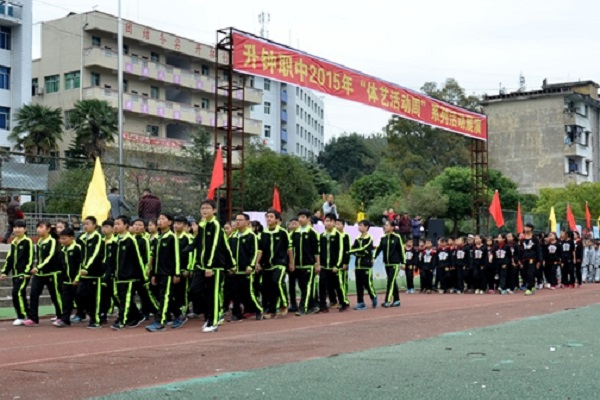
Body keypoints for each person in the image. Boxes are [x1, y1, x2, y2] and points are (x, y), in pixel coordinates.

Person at [187, 199, 235, 333]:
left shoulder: (215, 225)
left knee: (212, 294)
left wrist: (210, 266)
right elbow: (197, 243)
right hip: (200, 266)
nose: (204, 210)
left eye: (207, 208)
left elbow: (214, 247)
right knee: (194, 291)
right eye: (202, 208)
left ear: (214, 210)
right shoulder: (202, 225)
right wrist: (184, 250)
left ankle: (213, 321)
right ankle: (209, 315)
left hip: (214, 267)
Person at [146, 213, 184, 332]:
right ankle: (178, 314)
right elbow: (153, 256)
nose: (160, 221)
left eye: (163, 219)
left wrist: (177, 273)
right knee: (165, 296)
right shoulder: (157, 238)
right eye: (159, 219)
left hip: (168, 273)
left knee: (165, 296)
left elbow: (177, 257)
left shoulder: (172, 238)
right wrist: (151, 272)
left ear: (170, 222)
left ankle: (161, 321)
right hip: (158, 273)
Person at [108, 216, 146, 330]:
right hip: (118, 276)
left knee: (126, 298)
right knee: (119, 297)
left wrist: (143, 276)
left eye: (119, 223)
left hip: (129, 276)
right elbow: (112, 260)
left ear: (126, 226)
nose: (116, 226)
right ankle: (137, 316)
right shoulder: (115, 240)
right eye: (115, 223)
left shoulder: (130, 240)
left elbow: (138, 258)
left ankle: (122, 321)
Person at [257, 210, 294, 318]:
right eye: (267, 217)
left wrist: (291, 262)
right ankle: (271, 310)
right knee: (268, 287)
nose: (269, 219)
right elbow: (260, 250)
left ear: (277, 220)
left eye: (271, 217)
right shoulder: (263, 234)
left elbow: (289, 249)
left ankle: (284, 304)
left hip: (280, 262)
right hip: (267, 264)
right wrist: (257, 262)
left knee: (276, 281)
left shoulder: (283, 232)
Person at [24, 221, 62, 327]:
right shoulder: (40, 241)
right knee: (33, 295)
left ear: (48, 229)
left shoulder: (52, 241)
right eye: (37, 227)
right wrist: (38, 268)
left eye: (41, 227)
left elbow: (50, 257)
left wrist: (38, 267)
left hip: (52, 273)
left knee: (55, 296)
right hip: (40, 274)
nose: (38, 230)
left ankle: (61, 316)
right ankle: (33, 319)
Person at [229, 212, 262, 321]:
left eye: (240, 220)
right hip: (235, 270)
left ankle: (258, 310)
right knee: (235, 294)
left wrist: (251, 265)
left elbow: (254, 252)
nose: (237, 222)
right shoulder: (233, 236)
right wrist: (231, 265)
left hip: (246, 270)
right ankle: (236, 314)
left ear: (247, 222)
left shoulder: (251, 235)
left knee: (249, 293)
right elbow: (229, 252)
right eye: (236, 220)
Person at [0, 219, 33, 326]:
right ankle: (28, 314)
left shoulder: (27, 241)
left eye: (20, 227)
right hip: (15, 273)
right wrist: (4, 272)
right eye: (15, 227)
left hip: (23, 273)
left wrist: (26, 272)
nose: (17, 229)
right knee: (20, 294)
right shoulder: (14, 242)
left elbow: (30, 258)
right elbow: (9, 259)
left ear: (25, 229)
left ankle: (21, 316)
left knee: (16, 293)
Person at [74, 216, 105, 328]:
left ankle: (96, 320)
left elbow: (95, 254)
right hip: (83, 273)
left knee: (94, 298)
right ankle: (88, 314)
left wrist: (86, 268)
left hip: (94, 273)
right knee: (80, 294)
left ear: (94, 225)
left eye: (88, 224)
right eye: (84, 224)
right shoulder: (82, 238)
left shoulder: (98, 237)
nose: (85, 226)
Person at [290, 209, 319, 316]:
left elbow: (316, 250)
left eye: (303, 217)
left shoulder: (312, 233)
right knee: (303, 287)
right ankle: (314, 305)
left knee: (307, 286)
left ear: (308, 219)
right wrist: (292, 263)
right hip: (298, 265)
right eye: (299, 217)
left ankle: (303, 308)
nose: (300, 219)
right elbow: (291, 249)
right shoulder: (295, 233)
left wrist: (317, 264)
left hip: (309, 265)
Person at [318, 213, 347, 313]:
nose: (328, 223)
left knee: (338, 286)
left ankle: (343, 303)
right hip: (324, 266)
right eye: (326, 221)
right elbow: (320, 251)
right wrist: (319, 263)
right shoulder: (322, 236)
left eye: (330, 221)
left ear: (334, 223)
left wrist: (337, 265)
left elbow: (341, 251)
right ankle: (322, 305)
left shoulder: (339, 235)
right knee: (322, 285)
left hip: (335, 267)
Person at [54, 228, 82, 327]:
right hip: (66, 281)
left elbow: (81, 264)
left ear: (72, 238)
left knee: (81, 299)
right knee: (66, 301)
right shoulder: (62, 249)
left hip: (77, 280)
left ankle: (89, 315)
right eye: (61, 239)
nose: (62, 241)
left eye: (64, 238)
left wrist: (78, 278)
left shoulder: (77, 248)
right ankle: (65, 320)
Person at [374, 220, 404, 307]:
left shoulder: (397, 237)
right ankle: (397, 300)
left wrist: (403, 262)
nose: (385, 227)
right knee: (393, 282)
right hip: (386, 263)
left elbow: (401, 250)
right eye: (385, 225)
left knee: (390, 282)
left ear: (392, 227)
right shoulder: (383, 238)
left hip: (395, 264)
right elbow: (378, 249)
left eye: (387, 225)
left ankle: (387, 300)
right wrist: (373, 257)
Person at [349, 220, 376, 310]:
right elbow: (354, 249)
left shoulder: (369, 238)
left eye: (361, 225)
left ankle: (373, 297)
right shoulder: (357, 238)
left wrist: (355, 252)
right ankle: (360, 302)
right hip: (358, 265)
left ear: (366, 227)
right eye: (359, 225)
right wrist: (356, 252)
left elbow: (365, 250)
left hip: (366, 265)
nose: (359, 227)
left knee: (368, 284)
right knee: (359, 285)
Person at [519, 223, 542, 296]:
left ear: (531, 228)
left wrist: (539, 260)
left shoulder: (534, 239)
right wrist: (520, 259)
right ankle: (532, 285)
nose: (525, 228)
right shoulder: (522, 238)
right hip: (524, 258)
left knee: (530, 273)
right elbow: (520, 249)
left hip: (532, 258)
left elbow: (538, 249)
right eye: (525, 226)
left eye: (527, 227)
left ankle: (529, 288)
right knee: (524, 274)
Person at [336, 217, 351, 305]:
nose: (337, 226)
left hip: (343, 263)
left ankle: (344, 299)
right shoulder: (334, 235)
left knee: (343, 282)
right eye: (336, 224)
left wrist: (346, 262)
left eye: (339, 224)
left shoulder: (345, 236)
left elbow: (347, 250)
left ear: (343, 226)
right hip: (335, 263)